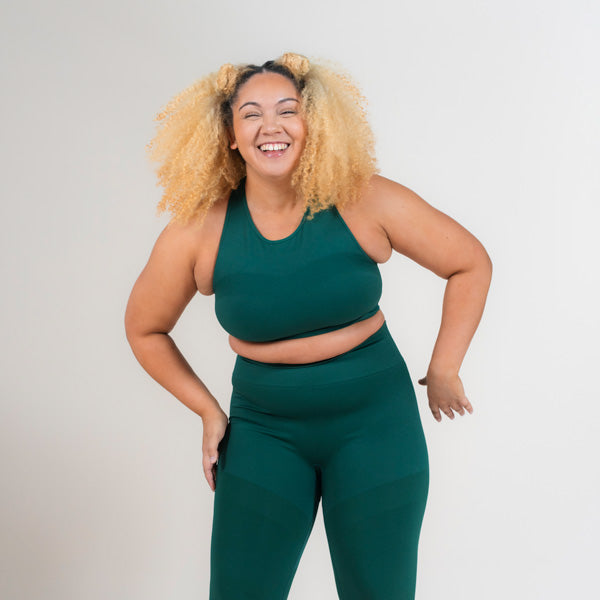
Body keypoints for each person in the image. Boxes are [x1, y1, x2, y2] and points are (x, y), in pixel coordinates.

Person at [124, 52, 492, 599]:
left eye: (287, 110)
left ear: (312, 123)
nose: (270, 126)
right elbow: (144, 328)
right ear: (229, 135)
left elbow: (469, 262)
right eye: (251, 114)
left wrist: (445, 367)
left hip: (377, 427)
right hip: (264, 432)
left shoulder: (362, 198)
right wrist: (207, 410)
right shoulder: (199, 229)